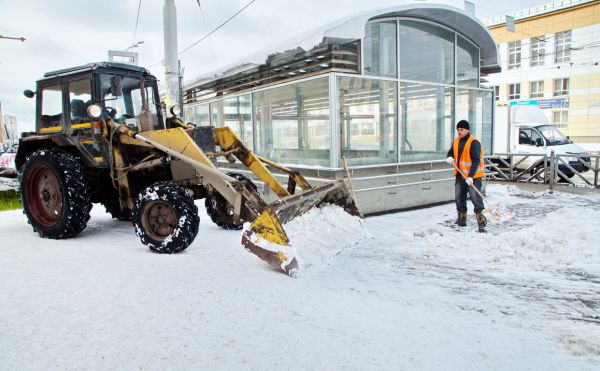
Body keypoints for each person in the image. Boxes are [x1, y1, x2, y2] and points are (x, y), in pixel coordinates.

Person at [445, 120, 487, 233]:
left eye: (461, 130)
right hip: (460, 176)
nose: (459, 132)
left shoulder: (474, 142)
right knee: (459, 199)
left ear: (467, 130)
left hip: (473, 178)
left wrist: (471, 176)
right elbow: (450, 152)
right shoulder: (456, 141)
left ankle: (481, 224)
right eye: (458, 130)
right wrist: (449, 157)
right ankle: (461, 221)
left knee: (476, 200)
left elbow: (476, 161)